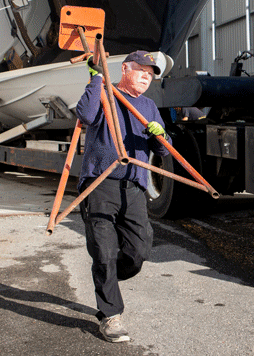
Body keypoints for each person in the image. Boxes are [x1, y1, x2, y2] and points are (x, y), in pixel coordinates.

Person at [75, 50, 171, 343]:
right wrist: (96, 79)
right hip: (100, 184)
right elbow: (85, 115)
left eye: (151, 74)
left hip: (133, 186)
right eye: (141, 70)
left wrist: (159, 135)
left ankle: (105, 275)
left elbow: (165, 151)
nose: (146, 76)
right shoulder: (105, 92)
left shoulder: (149, 106)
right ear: (125, 69)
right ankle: (110, 315)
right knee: (104, 250)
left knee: (139, 251)